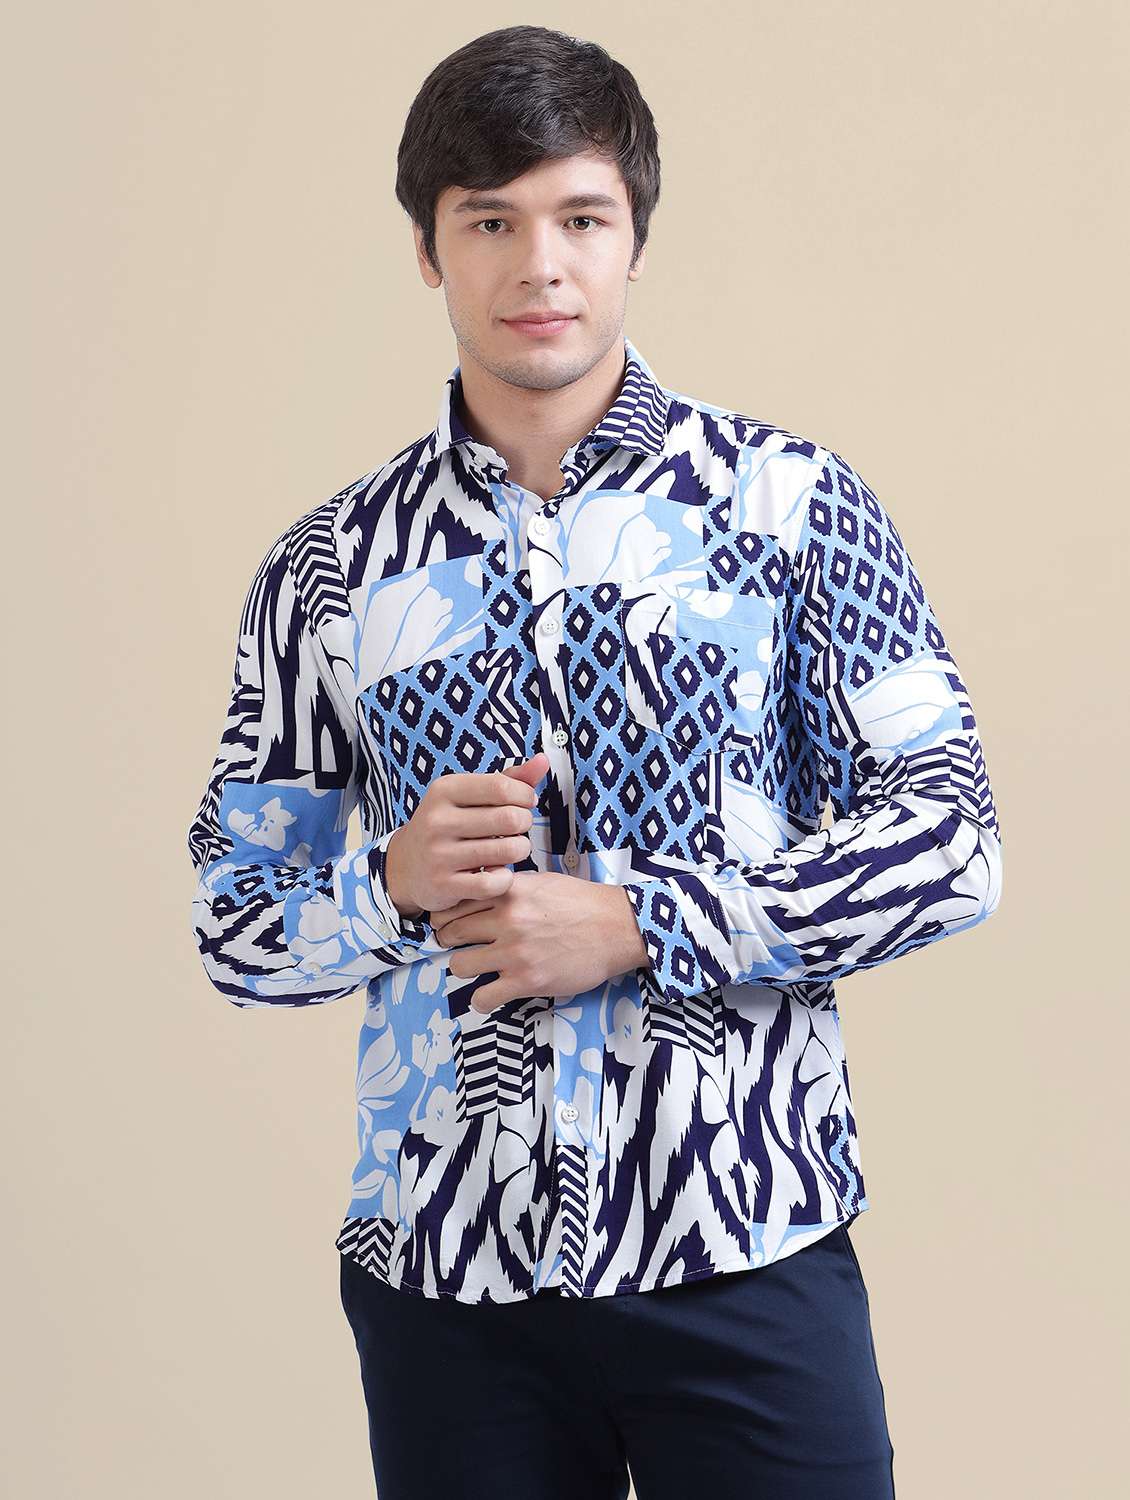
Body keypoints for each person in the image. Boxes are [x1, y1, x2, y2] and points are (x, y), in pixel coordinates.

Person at [186, 23, 1003, 1499]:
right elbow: (236, 929)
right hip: (447, 1274)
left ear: (635, 238)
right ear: (428, 252)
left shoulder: (792, 508)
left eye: (579, 218)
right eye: (489, 222)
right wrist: (390, 884)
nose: (540, 265)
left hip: (742, 1239)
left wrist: (643, 922)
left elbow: (952, 844)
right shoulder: (327, 569)